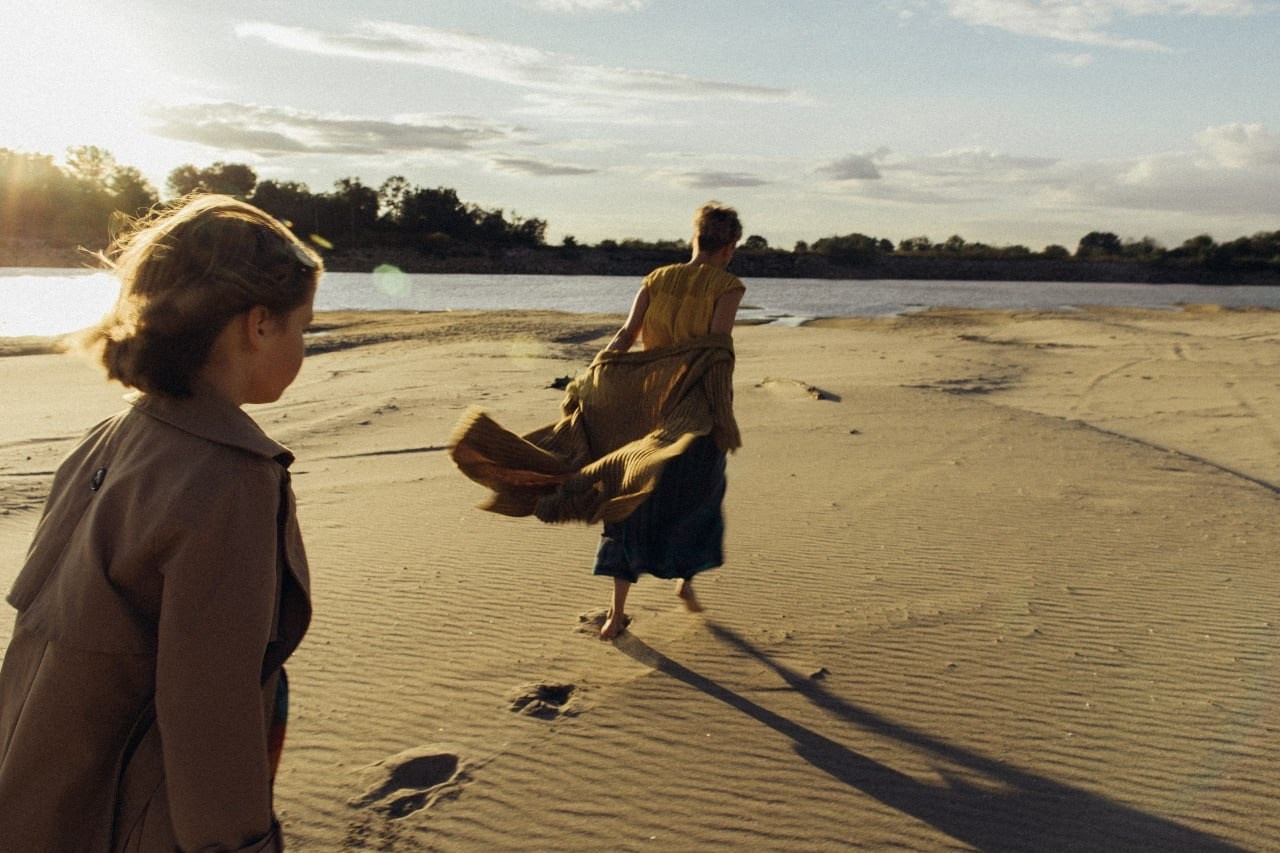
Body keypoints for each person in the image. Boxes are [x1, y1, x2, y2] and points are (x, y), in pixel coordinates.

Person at [0, 194, 321, 851]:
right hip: (121, 819)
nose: (303, 345)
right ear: (257, 325)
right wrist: (240, 844)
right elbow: (208, 708)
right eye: (303, 327)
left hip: (36, 796)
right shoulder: (232, 477)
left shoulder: (110, 439)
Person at [593, 201, 744, 639]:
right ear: (730, 247)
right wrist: (722, 416)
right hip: (693, 410)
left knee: (629, 503)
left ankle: (615, 615)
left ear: (694, 238)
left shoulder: (656, 279)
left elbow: (625, 337)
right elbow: (714, 352)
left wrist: (597, 373)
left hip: (646, 406)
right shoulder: (727, 285)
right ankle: (684, 582)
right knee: (699, 496)